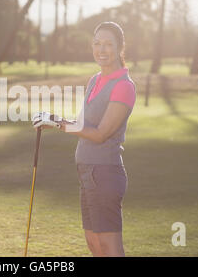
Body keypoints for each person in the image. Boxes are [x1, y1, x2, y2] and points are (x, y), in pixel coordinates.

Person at [32, 22, 136, 257]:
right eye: (97, 43)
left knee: (109, 246)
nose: (102, 49)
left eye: (108, 44)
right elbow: (82, 124)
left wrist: (57, 122)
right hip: (87, 172)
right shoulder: (95, 80)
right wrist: (52, 119)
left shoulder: (123, 86)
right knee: (94, 243)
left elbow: (100, 134)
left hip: (105, 173)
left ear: (120, 47)